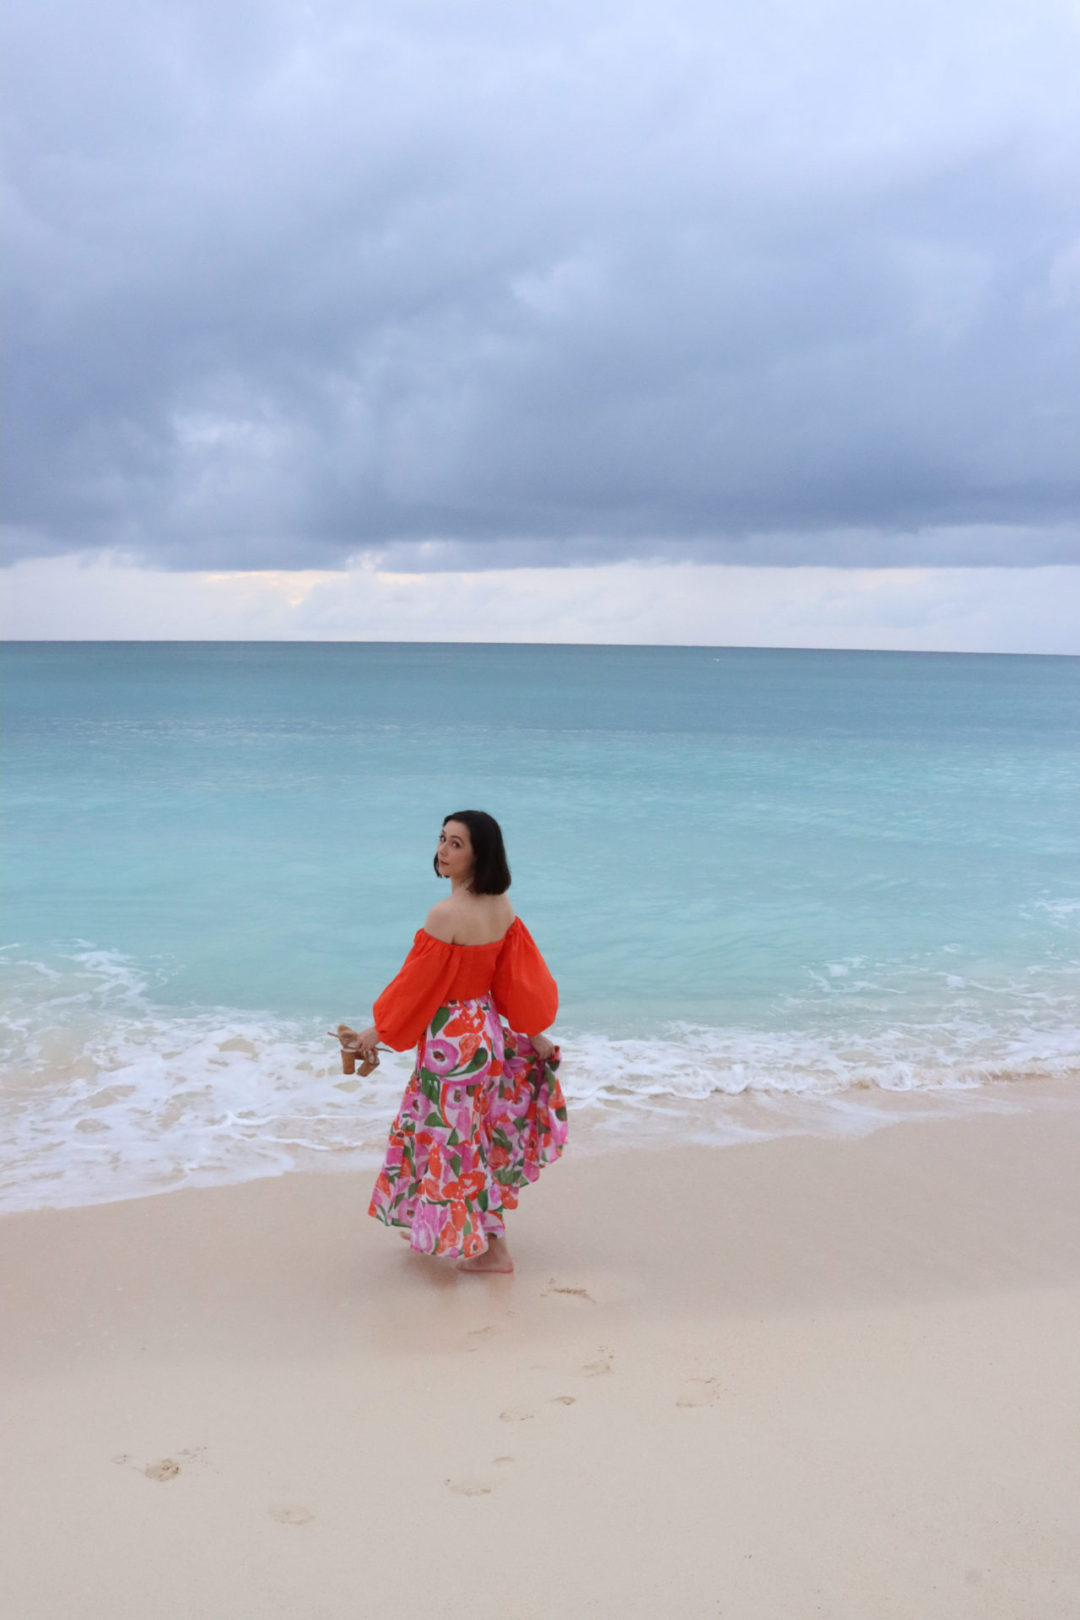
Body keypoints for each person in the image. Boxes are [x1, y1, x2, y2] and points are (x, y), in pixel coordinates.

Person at [337, 811, 567, 1275]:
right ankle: (446, 1229)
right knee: (471, 1141)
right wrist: (531, 1032)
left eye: (456, 844)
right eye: (442, 839)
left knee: (451, 1143)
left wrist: (373, 1033)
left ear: (479, 853)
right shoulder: (501, 905)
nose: (443, 850)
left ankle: (493, 1252)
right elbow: (512, 982)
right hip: (486, 1033)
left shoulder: (445, 915)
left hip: (451, 1045)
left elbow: (417, 991)